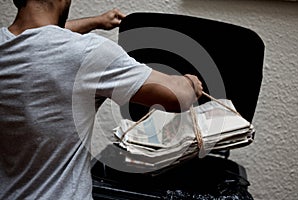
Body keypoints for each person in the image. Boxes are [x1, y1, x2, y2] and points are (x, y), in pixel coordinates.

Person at [0, 0, 203, 199]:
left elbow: (38, 37)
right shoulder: (88, 53)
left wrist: (96, 21)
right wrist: (189, 83)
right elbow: (177, 97)